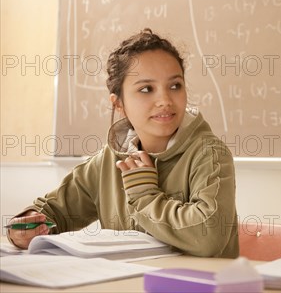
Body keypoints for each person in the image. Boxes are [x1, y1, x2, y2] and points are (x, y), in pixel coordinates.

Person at [7, 29, 239, 258]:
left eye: (175, 85)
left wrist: (145, 195)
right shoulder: (107, 162)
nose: (165, 100)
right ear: (118, 103)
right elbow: (51, 213)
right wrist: (25, 228)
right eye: (146, 89)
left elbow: (209, 237)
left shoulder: (209, 153)